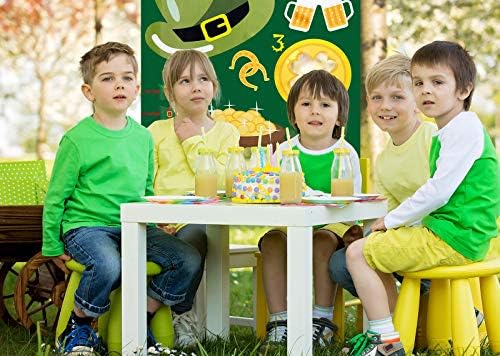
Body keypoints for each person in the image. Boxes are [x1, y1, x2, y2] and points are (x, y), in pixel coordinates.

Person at [42, 42, 202, 355]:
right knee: (107, 264)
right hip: (87, 227)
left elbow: (146, 190)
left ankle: (140, 321)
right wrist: (51, 243)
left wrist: (155, 220)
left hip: (135, 227)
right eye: (108, 78)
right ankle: (79, 326)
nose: (119, 85)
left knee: (187, 259)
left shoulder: (142, 137)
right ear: (88, 92)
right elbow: (56, 196)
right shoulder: (77, 140)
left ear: (136, 88)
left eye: (127, 78)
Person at [344, 41, 499, 356]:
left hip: (454, 237)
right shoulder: (449, 131)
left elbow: (438, 191)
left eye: (437, 82)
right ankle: (400, 329)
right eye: (418, 83)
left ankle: (385, 340)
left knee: (357, 254)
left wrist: (390, 221)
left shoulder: (463, 128)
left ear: (464, 90)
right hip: (452, 233)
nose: (426, 90)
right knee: (368, 246)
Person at [259, 69, 361, 347]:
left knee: (322, 241)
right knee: (271, 241)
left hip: (331, 226)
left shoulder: (345, 153)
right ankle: (279, 320)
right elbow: (274, 193)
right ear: (293, 115)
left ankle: (322, 319)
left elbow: (352, 202)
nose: (315, 111)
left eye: (325, 104)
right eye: (306, 104)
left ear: (339, 116)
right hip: (290, 224)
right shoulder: (285, 151)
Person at [148, 49, 239, 346]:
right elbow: (147, 182)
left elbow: (223, 182)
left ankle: (179, 312)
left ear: (214, 86)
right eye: (185, 81)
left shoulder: (226, 133)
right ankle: (163, 309)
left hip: (202, 222)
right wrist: (155, 219)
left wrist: (192, 142)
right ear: (169, 92)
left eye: (203, 79)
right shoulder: (157, 131)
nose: (196, 87)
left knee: (193, 238)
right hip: (159, 221)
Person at [329, 53, 436, 297]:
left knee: (356, 256)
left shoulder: (432, 139)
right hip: (404, 239)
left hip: (436, 238)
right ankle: (398, 312)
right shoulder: (385, 159)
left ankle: (431, 303)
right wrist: (366, 234)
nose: (385, 106)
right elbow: (388, 211)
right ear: (368, 102)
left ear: (418, 102)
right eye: (377, 98)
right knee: (339, 263)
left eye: (397, 97)